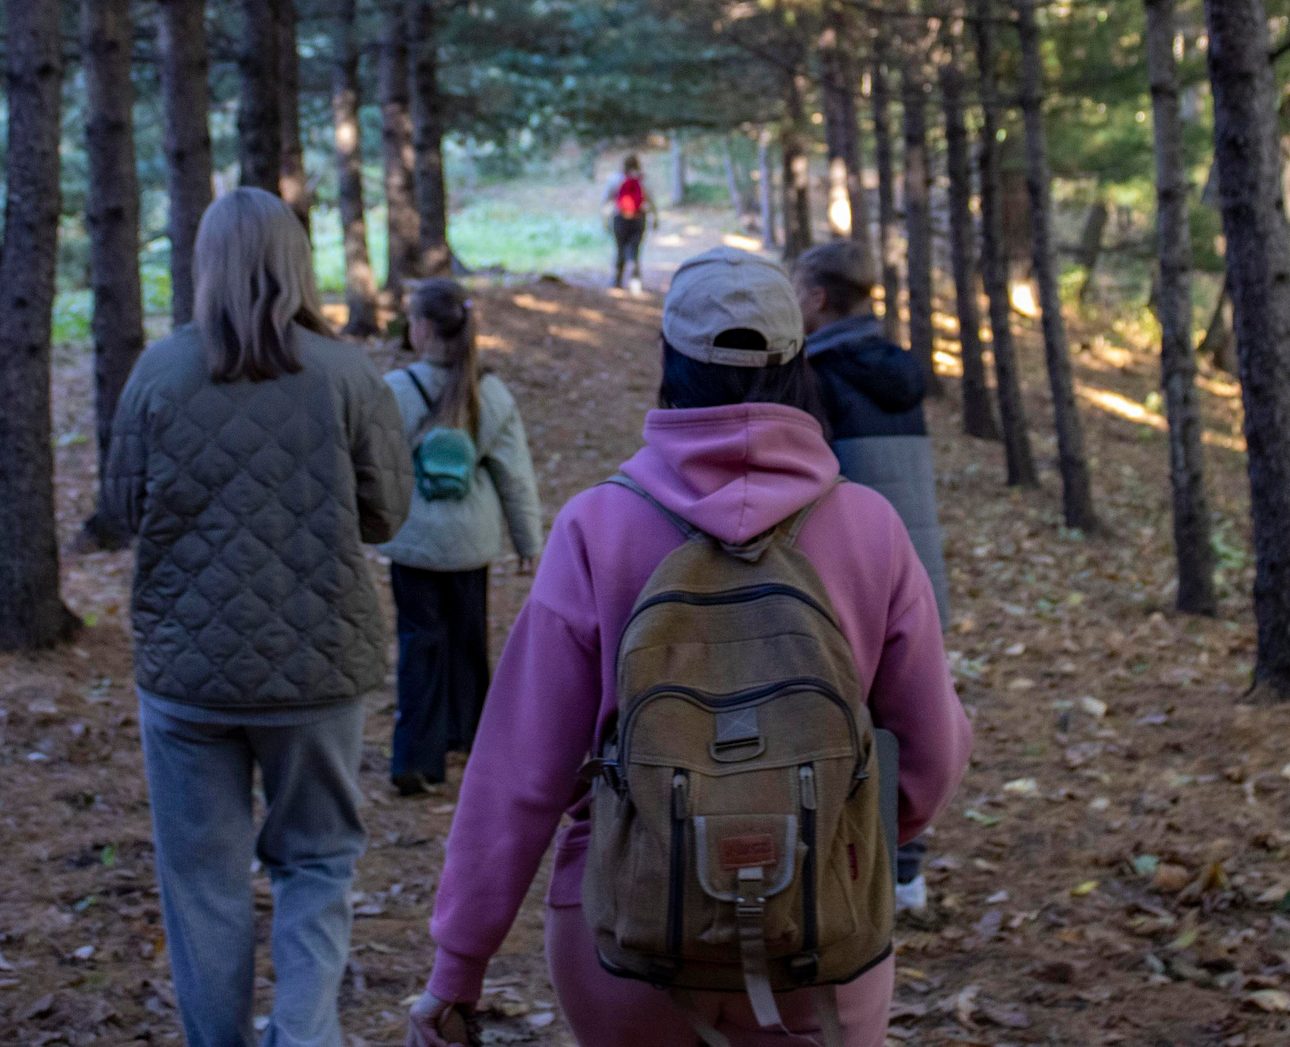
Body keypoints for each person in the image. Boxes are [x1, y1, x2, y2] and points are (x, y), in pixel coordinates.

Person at [404, 246, 972, 1047]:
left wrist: (457, 967)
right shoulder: (869, 526)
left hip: (630, 930)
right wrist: (826, 840)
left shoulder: (596, 527)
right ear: (797, 363)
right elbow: (933, 756)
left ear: (669, 361)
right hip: (823, 937)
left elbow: (518, 774)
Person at [99, 186, 411, 1047]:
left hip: (187, 674)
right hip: (318, 664)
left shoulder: (157, 374)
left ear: (205, 266)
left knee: (202, 881)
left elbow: (122, 508)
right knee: (316, 861)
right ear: (295, 264)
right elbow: (387, 515)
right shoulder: (349, 375)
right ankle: (306, 1038)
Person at [793, 240, 951, 917]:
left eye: (797, 289)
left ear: (819, 298)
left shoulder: (813, 377)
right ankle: (904, 873)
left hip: (847, 572)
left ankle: (847, 868)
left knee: (837, 719)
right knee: (898, 716)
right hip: (916, 568)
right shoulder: (902, 371)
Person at [381, 277, 545, 797]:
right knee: (469, 644)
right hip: (471, 545)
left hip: (414, 543)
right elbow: (514, 476)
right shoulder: (490, 393)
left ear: (423, 329)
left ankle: (416, 756)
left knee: (418, 643)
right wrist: (528, 544)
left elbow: (375, 467)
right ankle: (474, 744)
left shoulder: (395, 391)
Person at [605, 153, 654, 291]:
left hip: (620, 218)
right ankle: (635, 281)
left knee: (620, 249)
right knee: (635, 250)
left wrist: (605, 219)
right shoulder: (643, 180)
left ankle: (617, 280)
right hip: (639, 218)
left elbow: (606, 200)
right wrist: (655, 218)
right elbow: (650, 201)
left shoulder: (615, 179)